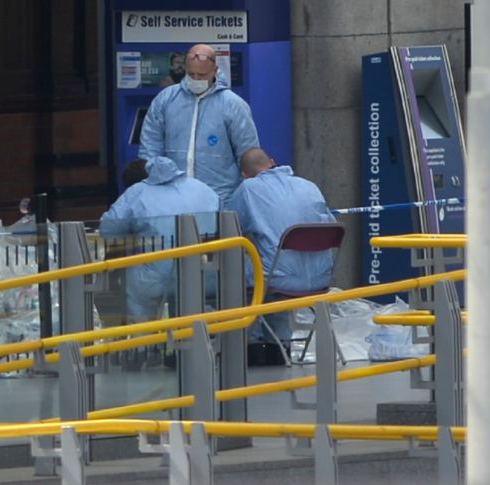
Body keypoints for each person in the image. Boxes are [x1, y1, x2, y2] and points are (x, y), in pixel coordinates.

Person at [226, 148, 336, 346]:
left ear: (243, 175)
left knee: (236, 267)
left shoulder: (248, 189)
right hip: (322, 279)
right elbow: (331, 223)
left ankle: (244, 346)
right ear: (272, 161)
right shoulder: (309, 186)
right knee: (275, 261)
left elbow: (227, 228)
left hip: (279, 281)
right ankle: (280, 343)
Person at [100, 156, 220, 322]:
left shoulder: (138, 192)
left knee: (135, 289)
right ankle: (195, 338)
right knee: (187, 302)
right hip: (207, 276)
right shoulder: (202, 188)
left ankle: (143, 343)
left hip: (158, 279)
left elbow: (108, 229)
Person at [139, 44, 259, 204]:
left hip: (220, 200)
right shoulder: (165, 100)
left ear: (215, 71)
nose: (195, 79)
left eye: (202, 75)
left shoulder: (233, 105)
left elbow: (248, 156)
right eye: (191, 74)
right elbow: (150, 150)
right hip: (172, 199)